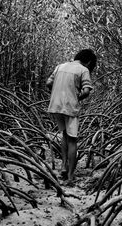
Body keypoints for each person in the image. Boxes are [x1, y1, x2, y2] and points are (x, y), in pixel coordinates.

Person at [46, 49, 97, 186]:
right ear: (89, 61)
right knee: (73, 140)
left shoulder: (60, 66)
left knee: (64, 135)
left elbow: (48, 83)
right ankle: (70, 175)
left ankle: (63, 166)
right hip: (69, 107)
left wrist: (58, 93)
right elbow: (86, 91)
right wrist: (77, 97)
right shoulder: (83, 70)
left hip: (55, 105)